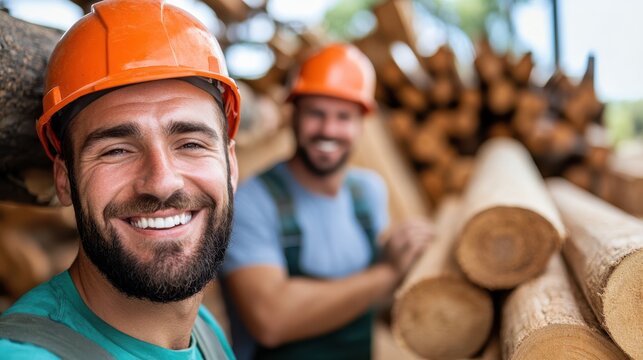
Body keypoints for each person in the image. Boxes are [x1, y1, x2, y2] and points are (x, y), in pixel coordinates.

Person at [0, 1, 241, 359]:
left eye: (190, 144)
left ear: (230, 165)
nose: (162, 182)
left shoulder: (203, 330)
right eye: (116, 150)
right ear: (64, 180)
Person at [221, 44, 433, 360]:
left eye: (343, 116)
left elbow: (372, 303)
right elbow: (271, 320)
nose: (328, 129)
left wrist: (411, 259)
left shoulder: (369, 192)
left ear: (362, 122)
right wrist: (388, 274)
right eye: (316, 113)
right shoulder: (252, 201)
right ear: (293, 114)